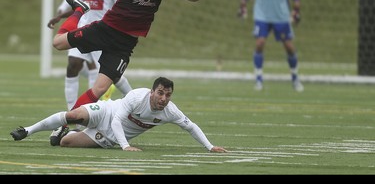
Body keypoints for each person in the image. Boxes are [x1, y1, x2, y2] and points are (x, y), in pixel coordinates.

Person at [51, 0, 211, 111]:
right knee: (57, 43)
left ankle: (66, 123)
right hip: (104, 30)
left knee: (100, 89)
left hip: (124, 45)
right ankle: (78, 10)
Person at [10, 77, 227, 153]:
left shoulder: (170, 111)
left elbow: (191, 126)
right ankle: (27, 130)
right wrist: (125, 146)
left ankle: (67, 133)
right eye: (160, 93)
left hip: (109, 137)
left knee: (65, 143)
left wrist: (210, 147)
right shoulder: (136, 96)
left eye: (167, 95)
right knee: (74, 114)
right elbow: (116, 120)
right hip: (107, 112)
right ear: (152, 92)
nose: (163, 98)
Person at [47, 0, 127, 109]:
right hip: (83, 30)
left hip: (102, 33)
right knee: (72, 65)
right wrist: (59, 16)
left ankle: (132, 98)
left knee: (111, 75)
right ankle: (71, 112)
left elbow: (120, 4)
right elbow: (80, 5)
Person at [238, 0, 304, 92]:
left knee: (289, 47)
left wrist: (297, 4)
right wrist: (243, 2)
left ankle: (295, 78)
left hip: (281, 15)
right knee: (260, 43)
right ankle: (259, 80)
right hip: (261, 14)